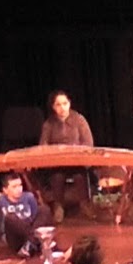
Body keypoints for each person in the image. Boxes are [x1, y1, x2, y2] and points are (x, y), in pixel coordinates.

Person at [38, 89, 95, 223]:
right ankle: (58, 206)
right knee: (57, 176)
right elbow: (43, 145)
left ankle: (85, 204)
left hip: (77, 161)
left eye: (65, 103)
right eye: (58, 105)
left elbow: (88, 143)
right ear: (53, 107)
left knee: (79, 175)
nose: (62, 107)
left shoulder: (79, 120)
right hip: (58, 163)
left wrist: (77, 152)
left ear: (69, 103)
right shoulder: (49, 124)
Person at [0, 174, 45, 257]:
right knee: (10, 217)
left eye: (20, 185)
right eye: (14, 187)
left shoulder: (29, 197)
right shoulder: (1, 201)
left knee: (43, 209)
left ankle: (30, 245)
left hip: (28, 231)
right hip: (14, 237)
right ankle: (32, 243)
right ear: (5, 190)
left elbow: (35, 218)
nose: (19, 189)